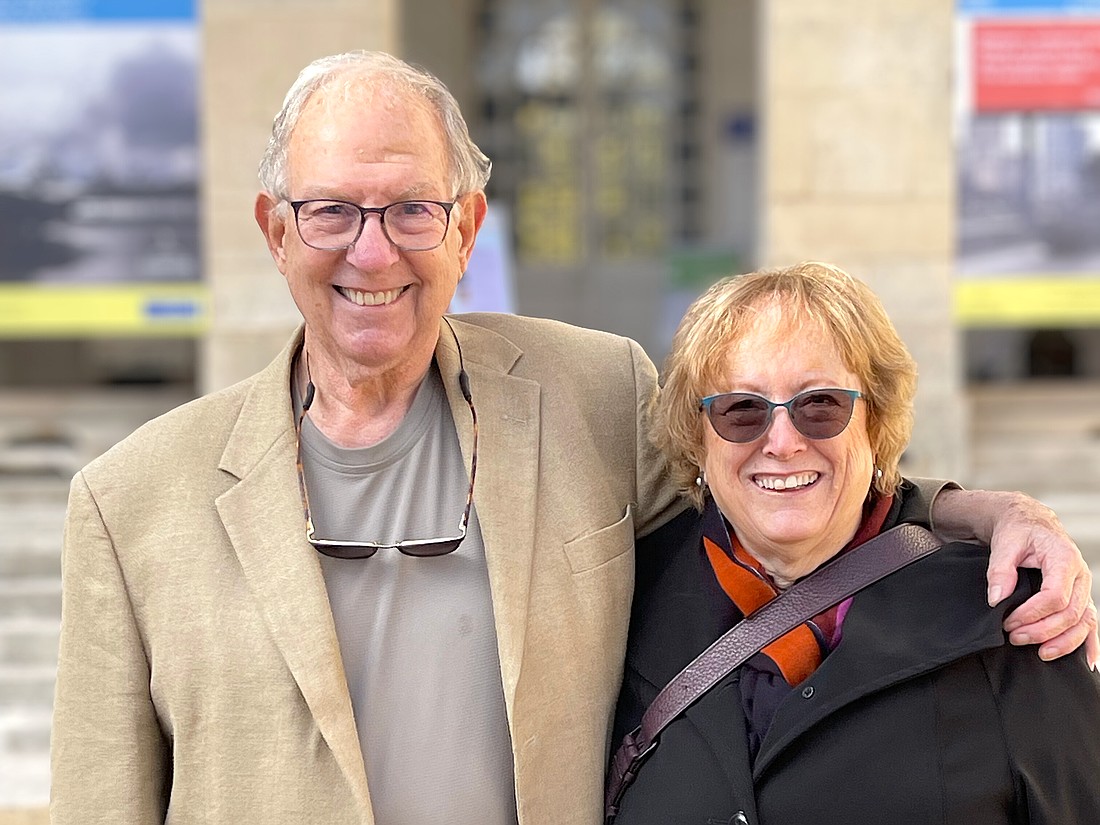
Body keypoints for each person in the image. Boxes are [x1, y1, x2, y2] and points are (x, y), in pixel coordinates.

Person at [50, 51, 1095, 825]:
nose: (373, 253)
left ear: (466, 228)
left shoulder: (589, 392)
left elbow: (783, 489)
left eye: (413, 209)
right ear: (275, 230)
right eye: (331, 212)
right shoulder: (129, 503)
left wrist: (988, 513)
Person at [610, 262, 1100, 824]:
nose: (783, 442)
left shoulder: (1007, 619)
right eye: (741, 409)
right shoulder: (627, 605)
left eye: (820, 404)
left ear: (876, 422)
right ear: (698, 438)